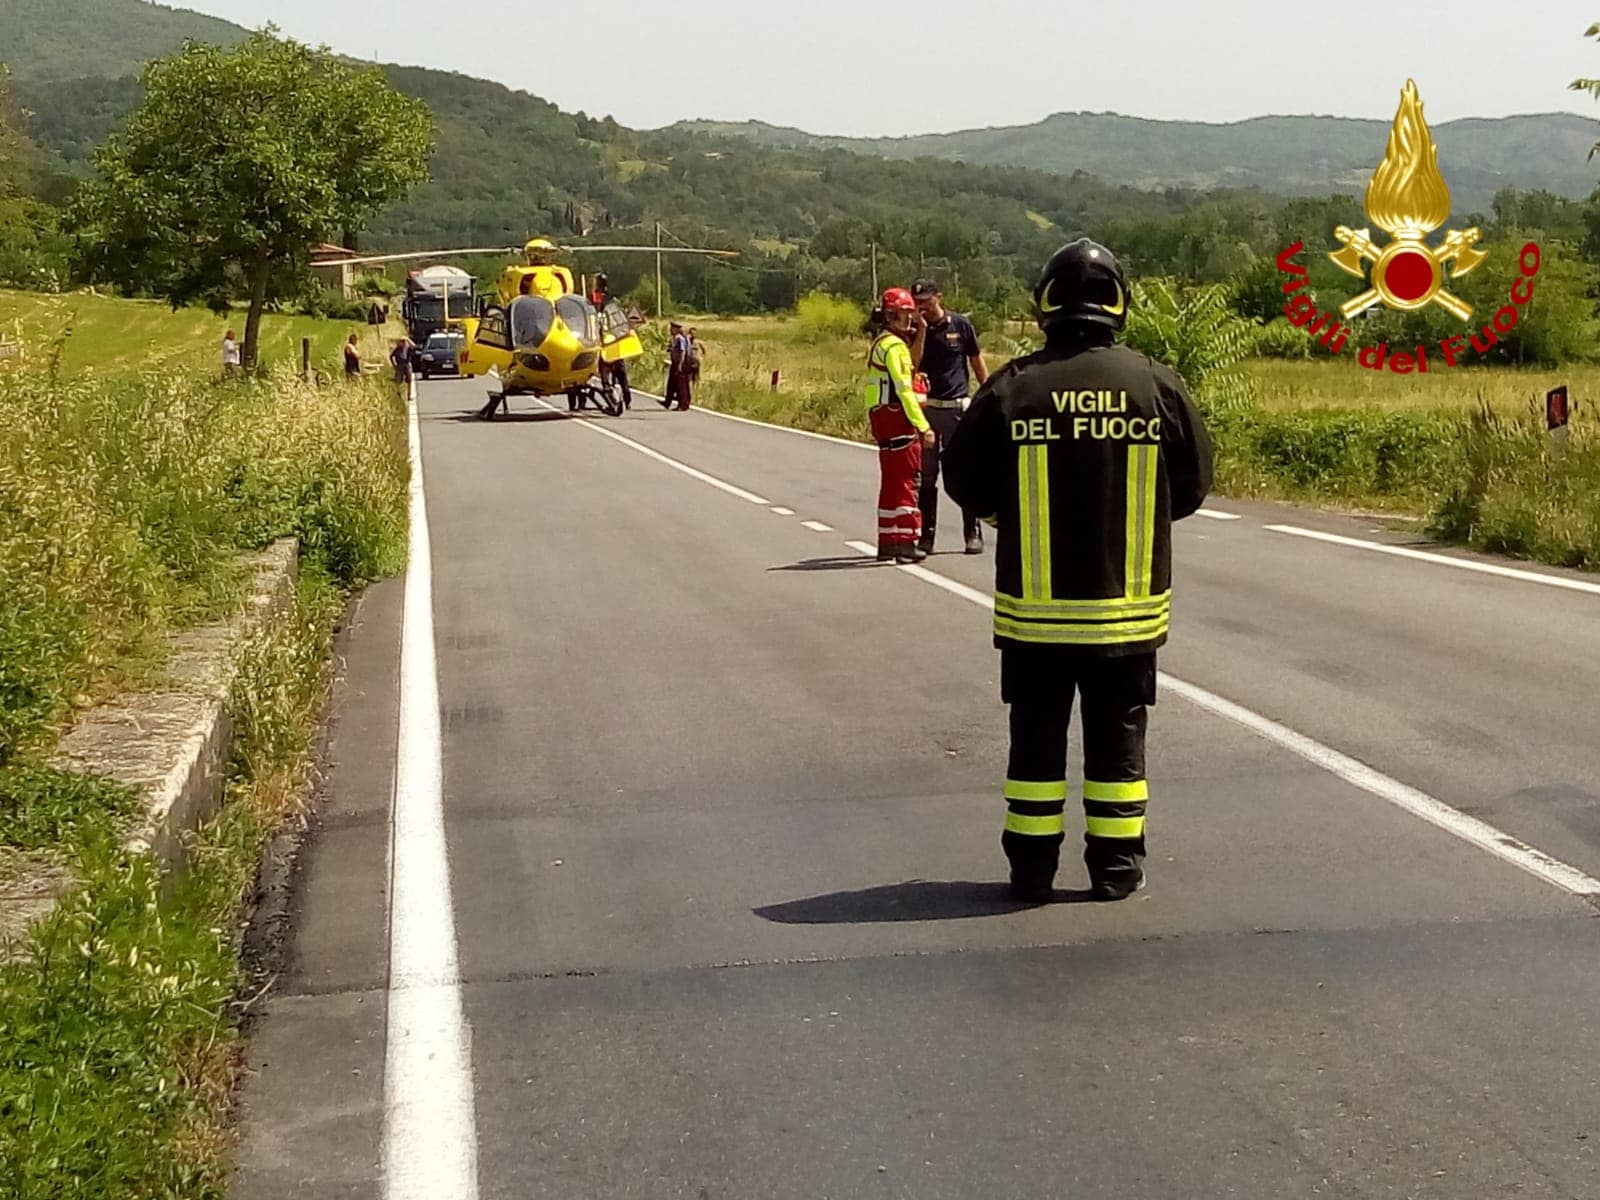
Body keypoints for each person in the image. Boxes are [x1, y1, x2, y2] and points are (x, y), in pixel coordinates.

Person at [942, 239, 1213, 903]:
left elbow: (964, 481)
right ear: (1119, 303)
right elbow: (1195, 483)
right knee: (1118, 747)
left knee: (1034, 747)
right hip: (1127, 614)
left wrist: (1013, 517)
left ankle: (1031, 874)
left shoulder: (1013, 386)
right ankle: (1116, 871)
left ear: (1045, 303)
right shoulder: (1156, 385)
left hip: (1034, 619)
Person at [909, 279, 989, 556]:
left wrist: (988, 394)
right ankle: (926, 538)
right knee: (927, 476)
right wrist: (921, 331)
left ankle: (972, 532)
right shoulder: (916, 329)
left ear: (939, 298)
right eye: (918, 302)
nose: (923, 307)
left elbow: (976, 361)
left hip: (956, 408)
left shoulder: (960, 326)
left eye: (927, 301)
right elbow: (912, 365)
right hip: (928, 409)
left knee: (963, 470)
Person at [861, 287, 936, 563]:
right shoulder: (894, 347)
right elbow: (904, 389)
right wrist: (923, 425)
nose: (909, 320)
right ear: (891, 316)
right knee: (907, 480)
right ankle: (905, 542)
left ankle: (888, 542)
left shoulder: (882, 343)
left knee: (891, 482)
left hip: (882, 419)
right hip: (897, 420)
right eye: (904, 315)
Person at [665, 321, 694, 410]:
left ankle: (683, 404)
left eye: (672, 328)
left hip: (681, 363)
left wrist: (680, 365)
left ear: (676, 329)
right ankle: (673, 402)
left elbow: (682, 352)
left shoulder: (679, 338)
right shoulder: (677, 338)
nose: (670, 330)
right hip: (677, 363)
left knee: (681, 385)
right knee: (675, 384)